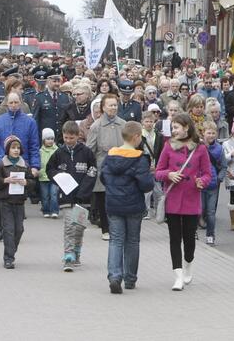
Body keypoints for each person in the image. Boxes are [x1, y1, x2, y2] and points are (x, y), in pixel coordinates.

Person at [155, 113, 211, 291]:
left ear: (186, 127)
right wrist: (168, 175)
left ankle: (188, 264)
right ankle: (177, 275)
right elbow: (158, 171)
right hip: (172, 198)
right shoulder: (168, 146)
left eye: (176, 127)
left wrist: (202, 181)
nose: (174, 130)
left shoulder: (200, 148)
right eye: (172, 128)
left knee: (189, 240)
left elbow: (208, 173)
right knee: (174, 238)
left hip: (191, 199)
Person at [101, 121, 155, 294]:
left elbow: (103, 177)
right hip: (133, 205)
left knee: (115, 240)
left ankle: (115, 276)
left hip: (114, 203)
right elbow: (146, 185)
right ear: (136, 136)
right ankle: (130, 278)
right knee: (132, 241)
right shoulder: (139, 159)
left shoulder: (110, 156)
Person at [0, 93, 40, 242]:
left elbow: (34, 146)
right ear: (6, 104)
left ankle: (15, 227)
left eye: (16, 102)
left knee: (16, 199)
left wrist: (35, 166)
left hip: (22, 165)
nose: (14, 105)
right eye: (11, 102)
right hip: (1, 165)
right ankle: (1, 227)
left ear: (21, 103)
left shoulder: (30, 122)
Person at [46, 121, 97, 272]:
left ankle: (77, 252)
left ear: (78, 136)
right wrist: (58, 176)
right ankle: (68, 256)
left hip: (83, 198)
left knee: (79, 227)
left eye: (71, 138)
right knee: (69, 226)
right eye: (66, 137)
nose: (68, 141)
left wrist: (84, 190)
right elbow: (49, 169)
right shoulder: (59, 153)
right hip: (66, 196)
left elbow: (93, 171)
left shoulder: (86, 152)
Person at [0, 135, 36, 269]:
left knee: (19, 229)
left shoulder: (24, 165)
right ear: (7, 150)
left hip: (19, 202)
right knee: (8, 229)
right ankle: (8, 258)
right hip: (6, 201)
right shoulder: (1, 165)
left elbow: (33, 182)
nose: (15, 150)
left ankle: (11, 250)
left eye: (18, 148)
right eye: (13, 148)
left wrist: (26, 182)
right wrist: (5, 180)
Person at [86, 94, 126, 240]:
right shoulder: (96, 126)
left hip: (121, 166)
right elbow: (89, 148)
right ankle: (105, 229)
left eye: (115, 105)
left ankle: (119, 228)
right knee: (103, 199)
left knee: (119, 198)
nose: (113, 108)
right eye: (110, 105)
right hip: (103, 165)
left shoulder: (123, 123)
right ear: (103, 107)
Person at [200, 121, 226, 246]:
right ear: (203, 133)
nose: (210, 135)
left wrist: (219, 179)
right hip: (199, 185)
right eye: (208, 133)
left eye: (213, 133)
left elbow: (223, 166)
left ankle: (210, 235)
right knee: (199, 210)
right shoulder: (198, 147)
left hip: (212, 185)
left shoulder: (219, 149)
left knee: (210, 212)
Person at [32, 72, 71, 142]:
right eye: (54, 81)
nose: (57, 84)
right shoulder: (39, 97)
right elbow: (35, 119)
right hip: (45, 138)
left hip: (61, 138)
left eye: (58, 81)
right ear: (48, 82)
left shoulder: (65, 97)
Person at [39, 128, 60, 218]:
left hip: (54, 176)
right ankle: (46, 210)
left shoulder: (57, 150)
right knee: (45, 196)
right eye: (48, 139)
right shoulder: (40, 151)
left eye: (52, 139)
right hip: (43, 176)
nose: (50, 141)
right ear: (43, 140)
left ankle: (54, 211)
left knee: (54, 194)